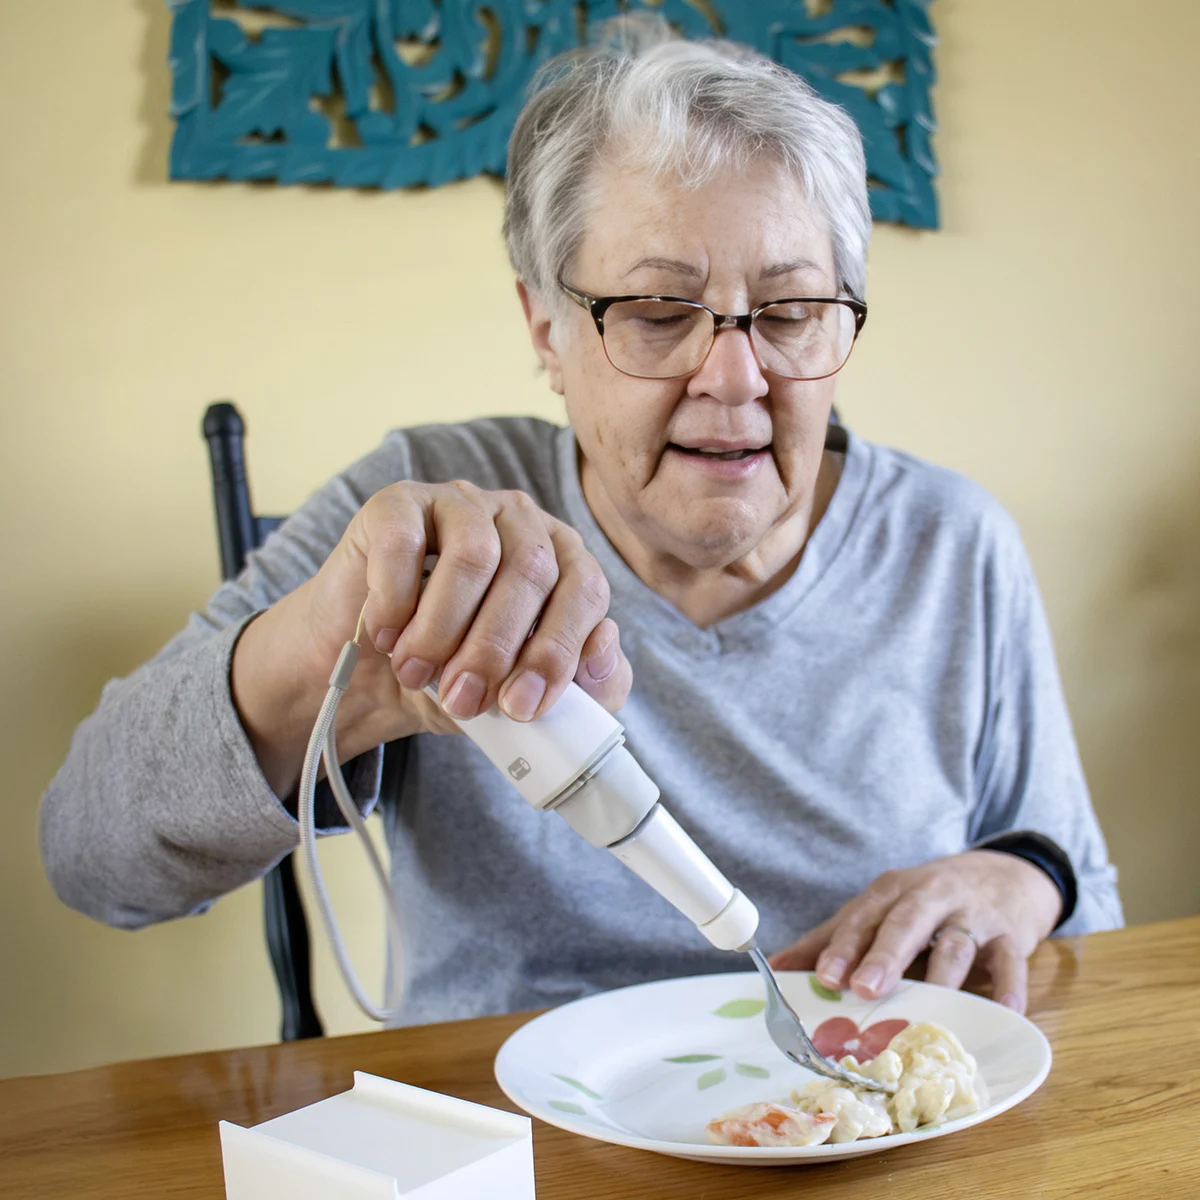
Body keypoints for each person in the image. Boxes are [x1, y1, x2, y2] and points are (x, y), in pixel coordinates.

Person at [40, 18, 1121, 1026]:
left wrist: (1023, 876)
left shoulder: (951, 544)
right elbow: (89, 858)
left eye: (790, 314)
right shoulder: (432, 510)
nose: (735, 378)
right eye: (658, 314)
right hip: (503, 1143)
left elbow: (1085, 901)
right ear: (546, 327)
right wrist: (327, 670)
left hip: (850, 1129)